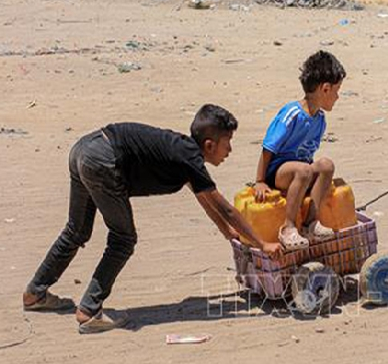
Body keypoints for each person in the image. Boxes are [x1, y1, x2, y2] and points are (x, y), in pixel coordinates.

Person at [22, 104, 282, 333]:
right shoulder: (190, 158)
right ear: (210, 145)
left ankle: (35, 293)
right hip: (103, 158)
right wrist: (262, 243)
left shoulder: (184, 154)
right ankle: (89, 310)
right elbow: (225, 207)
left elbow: (205, 200)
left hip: (83, 148)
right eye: (228, 142)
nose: (230, 150)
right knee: (123, 239)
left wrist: (228, 232)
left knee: (77, 230)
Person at [253, 51, 346, 251]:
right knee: (304, 170)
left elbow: (309, 156)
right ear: (325, 88)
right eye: (337, 91)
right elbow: (268, 148)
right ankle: (288, 227)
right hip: (278, 172)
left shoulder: (320, 119)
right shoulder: (292, 113)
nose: (338, 97)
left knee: (326, 165)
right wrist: (260, 181)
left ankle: (311, 222)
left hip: (302, 172)